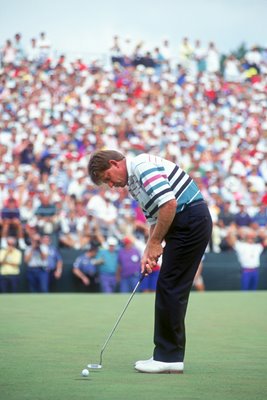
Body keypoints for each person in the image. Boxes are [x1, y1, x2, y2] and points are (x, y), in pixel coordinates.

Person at [88, 150, 212, 374]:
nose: (111, 186)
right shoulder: (134, 184)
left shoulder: (142, 165)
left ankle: (169, 357)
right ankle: (167, 355)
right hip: (182, 223)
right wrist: (149, 249)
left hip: (190, 219)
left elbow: (168, 204)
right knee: (168, 286)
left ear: (115, 164)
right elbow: (155, 217)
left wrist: (156, 244)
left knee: (170, 286)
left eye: (108, 178)